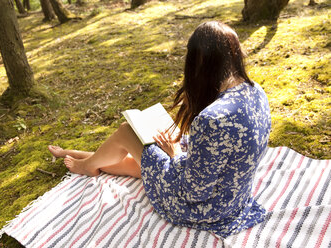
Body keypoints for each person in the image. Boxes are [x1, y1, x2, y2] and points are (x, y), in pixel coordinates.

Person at [48, 21, 271, 237]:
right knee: (145, 160)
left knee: (127, 131)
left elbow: (194, 192)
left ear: (201, 62)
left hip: (205, 210)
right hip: (234, 197)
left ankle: (88, 165)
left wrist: (176, 155)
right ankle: (88, 158)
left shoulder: (211, 119)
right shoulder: (256, 91)